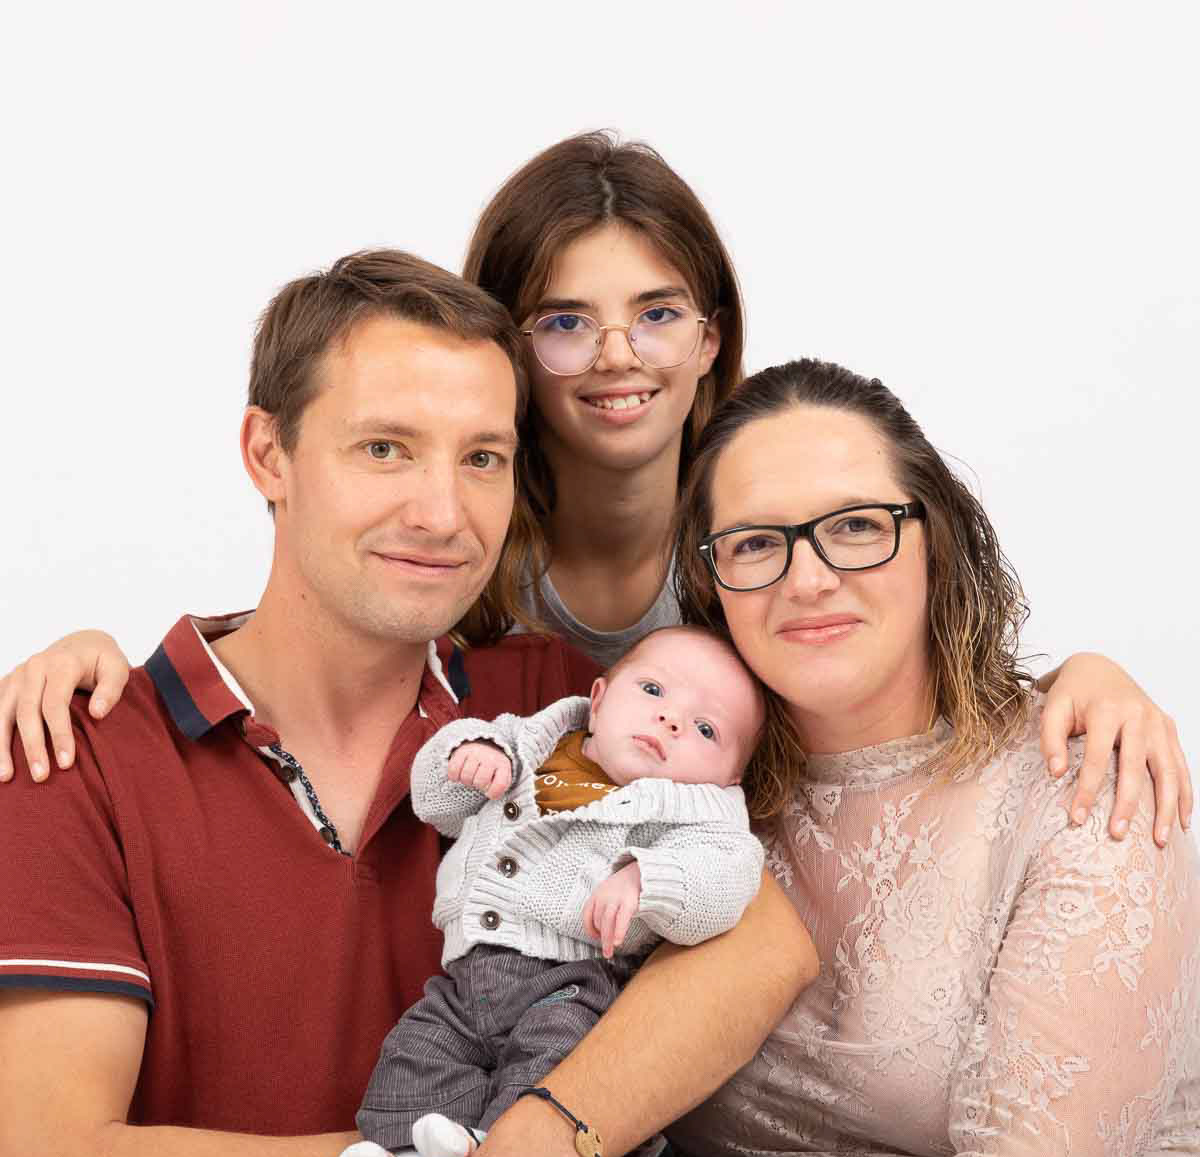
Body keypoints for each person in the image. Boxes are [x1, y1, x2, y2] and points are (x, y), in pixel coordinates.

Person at [0, 134, 1192, 841]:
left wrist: (1079, 677)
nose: (619, 357)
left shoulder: (766, 538)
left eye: (657, 314)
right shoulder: (455, 555)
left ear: (712, 338)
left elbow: (900, 698)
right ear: (504, 350)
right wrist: (107, 665)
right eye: (566, 322)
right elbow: (320, 637)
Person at [0, 250, 817, 1157]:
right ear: (269, 454)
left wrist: (547, 1137)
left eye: (482, 458)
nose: (441, 514)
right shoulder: (72, 754)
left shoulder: (558, 700)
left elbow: (763, 946)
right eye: (385, 448)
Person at [661, 357, 1199, 1157]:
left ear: (934, 543)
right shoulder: (691, 795)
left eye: (855, 526)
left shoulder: (1083, 789)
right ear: (709, 579)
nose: (809, 580)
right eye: (757, 543)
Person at [329, 624, 767, 1157]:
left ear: (730, 776)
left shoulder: (699, 811)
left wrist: (648, 879)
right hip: (463, 983)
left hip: (575, 985)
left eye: (706, 729)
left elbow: (729, 873)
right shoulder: (524, 741)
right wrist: (468, 757)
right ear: (599, 699)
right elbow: (436, 804)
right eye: (653, 691)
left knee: (552, 1069)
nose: (671, 720)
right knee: (416, 1054)